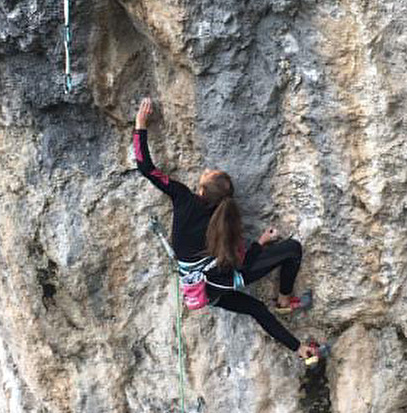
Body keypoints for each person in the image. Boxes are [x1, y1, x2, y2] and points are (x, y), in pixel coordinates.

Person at [133, 98, 320, 362]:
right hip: (223, 279)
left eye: (208, 172)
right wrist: (261, 243)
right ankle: (284, 299)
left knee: (256, 308)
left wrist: (141, 126)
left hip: (204, 292)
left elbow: (145, 167)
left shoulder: (183, 198)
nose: (207, 169)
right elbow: (245, 261)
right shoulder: (225, 221)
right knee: (292, 250)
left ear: (201, 190)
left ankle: (301, 349)